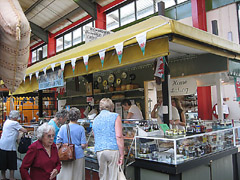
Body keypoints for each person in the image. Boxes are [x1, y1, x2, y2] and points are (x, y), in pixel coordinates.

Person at [93, 98, 124, 180]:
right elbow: (119, 136)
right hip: (112, 149)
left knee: (103, 176)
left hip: (99, 150)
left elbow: (94, 134)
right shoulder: (115, 116)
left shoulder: (95, 119)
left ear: (100, 107)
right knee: (113, 176)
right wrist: (121, 155)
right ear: (112, 107)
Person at [56, 107, 87, 180]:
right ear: (78, 116)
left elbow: (58, 143)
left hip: (65, 154)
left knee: (66, 175)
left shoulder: (63, 127)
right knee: (77, 176)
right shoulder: (81, 128)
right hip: (78, 155)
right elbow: (83, 145)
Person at [0, 110, 27, 180]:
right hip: (10, 146)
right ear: (15, 117)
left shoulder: (7, 121)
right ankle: (11, 177)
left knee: (3, 162)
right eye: (18, 116)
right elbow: (25, 130)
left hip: (3, 145)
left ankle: (3, 177)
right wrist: (21, 132)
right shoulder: (14, 123)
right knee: (12, 162)